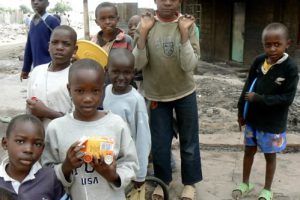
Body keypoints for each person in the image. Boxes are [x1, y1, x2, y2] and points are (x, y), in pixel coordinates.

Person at [132, 0, 203, 199]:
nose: (168, 2)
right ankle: (163, 181)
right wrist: (144, 32)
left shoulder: (189, 25)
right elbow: (137, 63)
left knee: (189, 142)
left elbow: (189, 64)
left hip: (185, 92)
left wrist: (183, 33)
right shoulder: (145, 24)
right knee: (160, 144)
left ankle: (190, 184)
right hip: (156, 95)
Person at [41, 59, 139, 200]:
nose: (87, 98)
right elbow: (46, 171)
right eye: (80, 91)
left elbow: (131, 164)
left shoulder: (116, 124)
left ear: (102, 89)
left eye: (95, 91)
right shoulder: (56, 128)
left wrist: (113, 175)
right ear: (69, 90)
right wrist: (66, 167)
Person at [233, 22, 299, 200]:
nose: (272, 49)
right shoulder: (258, 61)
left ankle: (267, 189)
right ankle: (245, 183)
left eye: (277, 44)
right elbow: (247, 87)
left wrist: (260, 99)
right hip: (253, 120)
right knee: (249, 151)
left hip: (272, 124)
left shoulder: (291, 68)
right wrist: (241, 112)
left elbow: (287, 99)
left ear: (288, 44)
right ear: (263, 44)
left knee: (270, 156)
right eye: (268, 44)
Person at [103, 49, 151, 196]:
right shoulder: (106, 91)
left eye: (127, 72)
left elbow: (143, 139)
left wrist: (141, 173)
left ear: (134, 72)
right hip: (107, 159)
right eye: (116, 72)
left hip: (127, 163)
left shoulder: (136, 100)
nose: (121, 77)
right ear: (107, 70)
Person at [0, 114, 69, 199]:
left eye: (37, 144)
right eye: (20, 141)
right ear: (5, 143)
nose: (29, 149)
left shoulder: (50, 178)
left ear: (43, 148)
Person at [26, 25, 78, 128]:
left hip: (63, 140)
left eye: (66, 44)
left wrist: (46, 112)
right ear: (49, 46)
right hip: (39, 138)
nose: (59, 47)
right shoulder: (37, 71)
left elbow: (78, 120)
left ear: (75, 49)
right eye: (55, 43)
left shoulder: (76, 76)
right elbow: (29, 105)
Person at [20, 0, 60, 81]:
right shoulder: (32, 22)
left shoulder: (52, 21)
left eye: (40, 0)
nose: (35, 2)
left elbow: (59, 45)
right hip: (37, 69)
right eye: (33, 0)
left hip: (51, 69)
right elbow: (29, 46)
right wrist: (26, 68)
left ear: (47, 4)